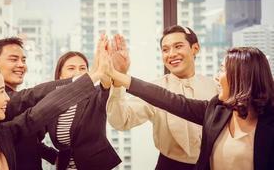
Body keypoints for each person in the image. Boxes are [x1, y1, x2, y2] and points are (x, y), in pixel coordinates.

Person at [108, 46, 274, 170]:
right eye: (165, 49)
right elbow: (169, 100)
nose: (217, 76)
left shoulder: (269, 124)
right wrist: (119, 77)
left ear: (242, 76)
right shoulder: (217, 110)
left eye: (222, 70)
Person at [0, 49, 107, 170]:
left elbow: (44, 110)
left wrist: (93, 76)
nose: (8, 98)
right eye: (1, 91)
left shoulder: (3, 133)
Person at [106, 27, 218, 170]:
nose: (171, 54)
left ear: (195, 48)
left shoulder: (215, 88)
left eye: (178, 46)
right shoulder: (154, 90)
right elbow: (121, 121)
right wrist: (119, 78)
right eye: (165, 50)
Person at [0, 37, 64, 169]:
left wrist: (54, 156)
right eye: (13, 59)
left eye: (23, 60)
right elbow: (28, 97)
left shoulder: (16, 99)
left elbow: (23, 141)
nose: (21, 65)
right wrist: (74, 83)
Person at [47, 49, 121, 170]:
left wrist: (104, 67)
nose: (78, 72)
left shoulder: (95, 93)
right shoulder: (52, 101)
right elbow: (32, 132)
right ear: (60, 75)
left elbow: (106, 87)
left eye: (82, 68)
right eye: (71, 68)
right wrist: (52, 156)